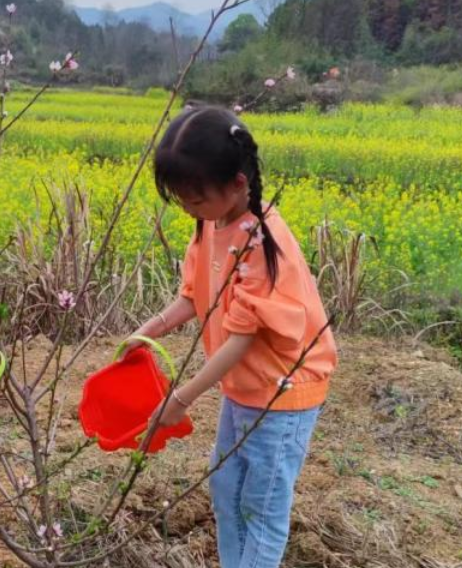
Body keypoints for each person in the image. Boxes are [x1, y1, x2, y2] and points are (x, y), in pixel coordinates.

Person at [130, 106, 337, 568]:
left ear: (238, 183)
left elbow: (242, 337)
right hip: (244, 385)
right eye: (179, 198)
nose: (187, 208)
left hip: (282, 391)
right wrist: (145, 333)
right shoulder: (211, 223)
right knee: (226, 490)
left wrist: (181, 398)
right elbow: (193, 297)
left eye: (195, 199)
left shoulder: (261, 243)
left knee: (261, 507)